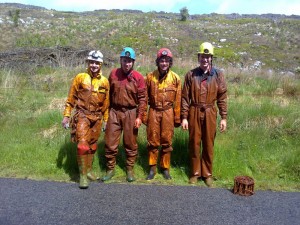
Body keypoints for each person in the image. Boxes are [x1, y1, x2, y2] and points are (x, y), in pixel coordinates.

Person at [181, 42, 227, 187]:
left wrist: (224, 117)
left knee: (208, 143)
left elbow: (222, 97)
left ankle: (207, 174)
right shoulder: (190, 74)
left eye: (207, 57)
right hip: (194, 111)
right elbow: (184, 97)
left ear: (211, 58)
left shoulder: (218, 75)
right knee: (194, 143)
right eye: (202, 56)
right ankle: (195, 173)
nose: (205, 59)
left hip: (210, 112)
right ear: (198, 57)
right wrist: (184, 117)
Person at [61, 50, 110, 189]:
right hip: (82, 115)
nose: (94, 65)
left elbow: (106, 104)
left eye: (96, 63)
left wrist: (105, 120)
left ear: (101, 64)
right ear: (88, 62)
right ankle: (82, 177)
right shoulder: (80, 78)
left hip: (97, 117)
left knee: (93, 146)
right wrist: (66, 116)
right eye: (91, 62)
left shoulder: (105, 82)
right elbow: (71, 99)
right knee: (82, 145)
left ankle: (88, 171)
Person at [101, 47, 147, 182]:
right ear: (121, 60)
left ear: (133, 62)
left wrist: (139, 117)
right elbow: (107, 95)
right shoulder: (113, 74)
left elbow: (143, 100)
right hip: (114, 111)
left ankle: (130, 169)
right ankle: (110, 169)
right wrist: (105, 114)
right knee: (110, 142)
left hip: (131, 112)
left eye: (129, 61)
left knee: (131, 143)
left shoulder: (138, 78)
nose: (127, 63)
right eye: (124, 60)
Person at [143, 48, 181, 180]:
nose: (164, 63)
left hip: (168, 112)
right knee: (152, 141)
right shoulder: (150, 77)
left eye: (166, 61)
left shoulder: (175, 78)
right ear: (157, 62)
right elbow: (144, 98)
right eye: (161, 61)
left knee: (166, 141)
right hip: (153, 111)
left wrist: (177, 117)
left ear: (170, 63)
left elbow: (178, 99)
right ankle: (152, 168)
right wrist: (143, 115)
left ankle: (165, 168)